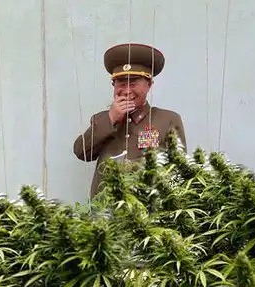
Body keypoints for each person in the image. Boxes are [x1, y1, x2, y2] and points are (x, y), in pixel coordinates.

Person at [73, 43, 187, 198]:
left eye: (133, 84)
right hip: (105, 208)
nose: (127, 91)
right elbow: (81, 152)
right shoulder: (102, 119)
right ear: (113, 85)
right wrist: (111, 119)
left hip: (148, 207)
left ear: (149, 85)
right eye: (121, 84)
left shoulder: (168, 120)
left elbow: (180, 169)